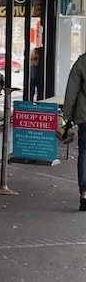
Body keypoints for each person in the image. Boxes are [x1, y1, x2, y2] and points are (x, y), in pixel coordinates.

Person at [62, 52, 86, 210]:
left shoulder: (83, 61)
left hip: (85, 117)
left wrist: (68, 117)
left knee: (85, 153)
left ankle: (85, 192)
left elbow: (72, 90)